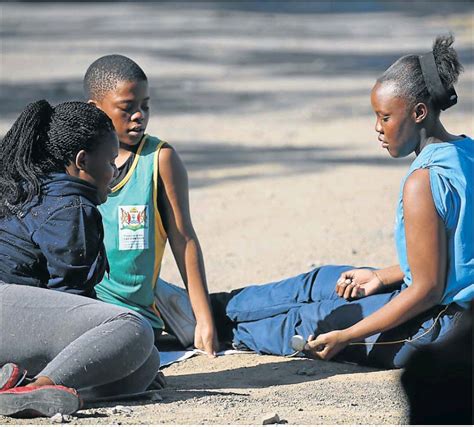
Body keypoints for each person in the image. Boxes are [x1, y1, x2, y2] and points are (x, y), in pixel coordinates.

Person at [166, 34, 473, 369]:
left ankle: (199, 324)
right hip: (434, 302)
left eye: (385, 117)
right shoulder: (466, 151)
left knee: (312, 321)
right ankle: (199, 309)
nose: (378, 128)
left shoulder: (423, 181)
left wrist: (347, 335)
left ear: (418, 112)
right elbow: (455, 253)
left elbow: (428, 290)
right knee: (322, 281)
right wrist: (381, 277)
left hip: (441, 328)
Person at [0, 100, 161, 417]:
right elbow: (73, 298)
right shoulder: (71, 206)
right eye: (111, 161)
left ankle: (16, 381)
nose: (114, 172)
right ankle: (35, 389)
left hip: (12, 325)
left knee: (144, 365)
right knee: (133, 328)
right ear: (81, 161)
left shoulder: (32, 188)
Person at [83, 55, 218, 355]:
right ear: (96, 109)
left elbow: (183, 239)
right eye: (127, 108)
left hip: (137, 320)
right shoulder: (77, 160)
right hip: (82, 310)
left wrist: (204, 320)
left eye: (145, 106)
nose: (139, 115)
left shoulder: (159, 160)